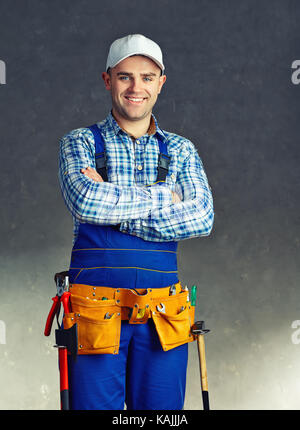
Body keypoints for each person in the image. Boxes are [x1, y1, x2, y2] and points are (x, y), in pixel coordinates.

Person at [58, 34, 214, 410]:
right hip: (94, 314)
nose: (136, 87)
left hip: (165, 317)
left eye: (147, 77)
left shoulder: (180, 148)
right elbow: (84, 201)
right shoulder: (78, 142)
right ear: (107, 79)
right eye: (125, 76)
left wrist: (112, 204)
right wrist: (165, 198)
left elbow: (202, 217)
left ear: (161, 82)